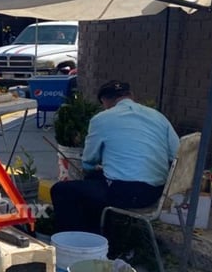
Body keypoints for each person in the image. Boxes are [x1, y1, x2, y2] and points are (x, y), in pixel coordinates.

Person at [50, 80, 180, 238]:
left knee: (62, 190)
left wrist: (99, 166)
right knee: (96, 182)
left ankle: (76, 242)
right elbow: (175, 154)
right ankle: (105, 235)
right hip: (158, 191)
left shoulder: (101, 119)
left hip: (128, 194)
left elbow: (89, 161)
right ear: (131, 95)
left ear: (105, 101)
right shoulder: (158, 117)